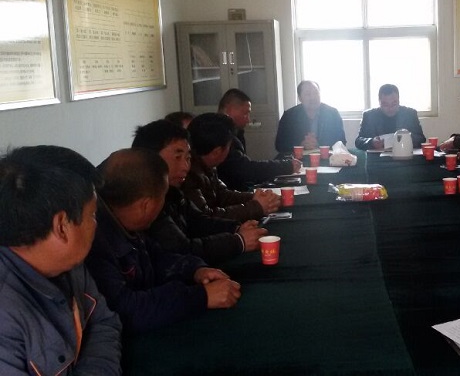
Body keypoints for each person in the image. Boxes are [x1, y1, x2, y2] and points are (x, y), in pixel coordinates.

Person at [86, 148, 242, 334]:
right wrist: (201, 297)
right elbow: (126, 310)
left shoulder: (127, 222)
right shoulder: (93, 241)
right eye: (162, 196)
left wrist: (195, 270)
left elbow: (158, 257)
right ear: (146, 205)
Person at [0, 145, 122, 375]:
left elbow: (103, 324)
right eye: (92, 215)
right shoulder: (6, 316)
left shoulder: (69, 266)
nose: (96, 225)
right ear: (62, 226)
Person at [132, 119, 267, 264]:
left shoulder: (173, 191)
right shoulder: (145, 201)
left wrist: (235, 228)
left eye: (188, 158)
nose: (185, 167)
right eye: (177, 157)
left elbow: (198, 221)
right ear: (149, 159)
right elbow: (181, 250)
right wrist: (238, 241)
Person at [185, 112, 281, 222]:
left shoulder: (206, 163)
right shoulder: (188, 174)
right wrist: (257, 207)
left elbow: (223, 196)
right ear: (217, 152)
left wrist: (255, 197)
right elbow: (207, 218)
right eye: (229, 146)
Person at [217, 88, 302, 189]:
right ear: (228, 110)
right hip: (231, 192)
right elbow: (246, 169)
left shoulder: (235, 132)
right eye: (245, 113)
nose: (248, 120)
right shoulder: (221, 135)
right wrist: (286, 166)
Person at [274, 80, 346, 156]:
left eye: (315, 93)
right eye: (308, 94)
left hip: (326, 158)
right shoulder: (289, 116)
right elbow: (279, 145)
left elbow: (341, 141)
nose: (313, 97)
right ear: (300, 98)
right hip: (297, 158)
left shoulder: (332, 114)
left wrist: (319, 144)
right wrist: (301, 145)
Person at [355, 84, 426, 150]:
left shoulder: (409, 114)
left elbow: (421, 139)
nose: (390, 108)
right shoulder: (369, 116)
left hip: (405, 155)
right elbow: (358, 141)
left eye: (394, 104)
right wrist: (371, 142)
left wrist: (408, 138)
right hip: (378, 157)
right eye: (385, 105)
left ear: (399, 100)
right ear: (379, 102)